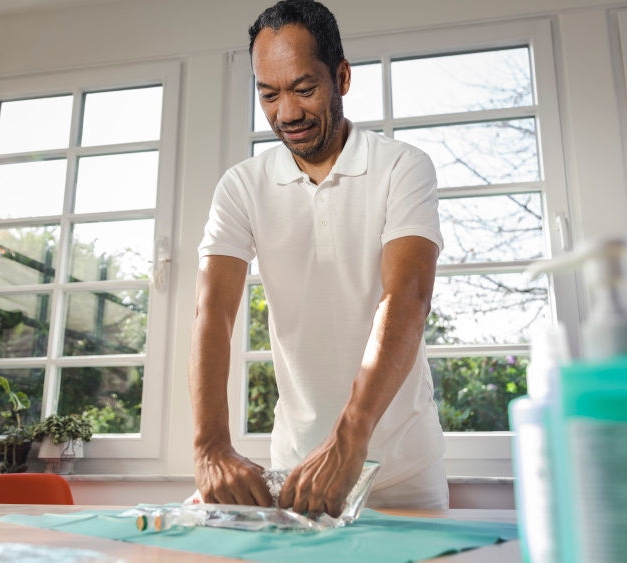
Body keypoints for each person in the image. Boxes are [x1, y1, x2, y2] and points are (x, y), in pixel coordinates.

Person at [190, 0, 447, 517]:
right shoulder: (241, 187)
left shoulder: (403, 168)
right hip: (297, 470)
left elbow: (408, 298)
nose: (287, 113)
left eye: (304, 89)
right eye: (269, 94)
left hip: (403, 468)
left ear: (342, 78)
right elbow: (213, 311)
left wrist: (350, 440)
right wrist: (209, 446)